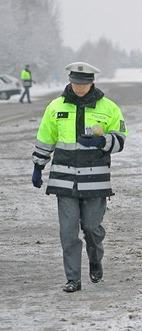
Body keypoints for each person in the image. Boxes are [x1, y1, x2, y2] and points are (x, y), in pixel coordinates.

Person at [31, 61, 128, 293]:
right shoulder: (55, 107)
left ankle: (95, 260)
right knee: (68, 232)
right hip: (64, 180)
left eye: (83, 84)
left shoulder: (109, 108)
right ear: (70, 81)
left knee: (92, 228)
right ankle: (73, 278)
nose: (79, 88)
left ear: (92, 82)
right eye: (75, 83)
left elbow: (120, 140)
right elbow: (46, 137)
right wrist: (38, 165)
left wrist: (100, 141)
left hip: (96, 180)